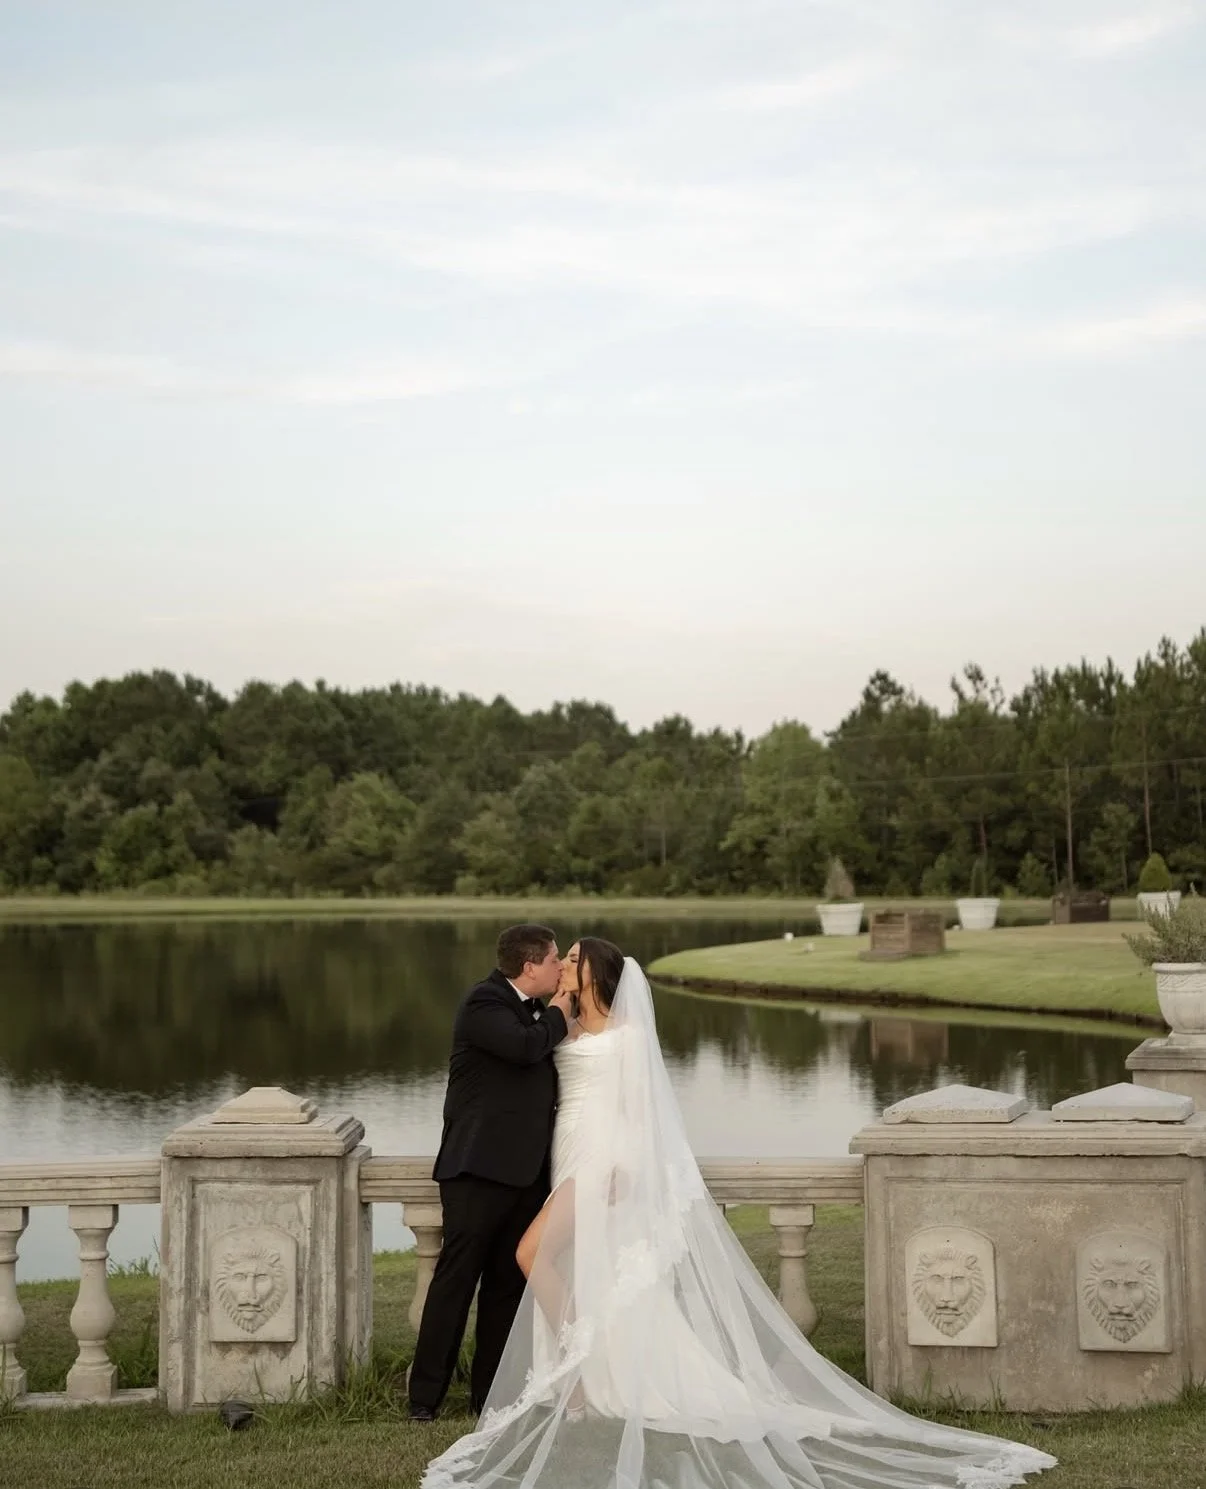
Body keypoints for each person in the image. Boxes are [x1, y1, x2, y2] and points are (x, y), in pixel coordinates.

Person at [422, 937, 1056, 1489]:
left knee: (531, 1254)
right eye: (560, 958)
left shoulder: (626, 1035)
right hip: (567, 1153)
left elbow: (643, 1113)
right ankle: (594, 1373)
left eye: (575, 959)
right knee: (587, 1265)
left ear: (595, 974)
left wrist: (628, 1168)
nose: (563, 965)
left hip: (604, 1161)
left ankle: (583, 1376)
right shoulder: (559, 1023)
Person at [408, 924, 572, 1421]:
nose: (561, 967)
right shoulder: (484, 1003)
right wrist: (564, 1011)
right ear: (530, 967)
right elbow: (526, 1048)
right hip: (476, 1172)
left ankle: (489, 1398)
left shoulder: (539, 1012)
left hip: (526, 1177)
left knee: (506, 1288)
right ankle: (424, 1401)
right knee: (455, 1285)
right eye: (554, 959)